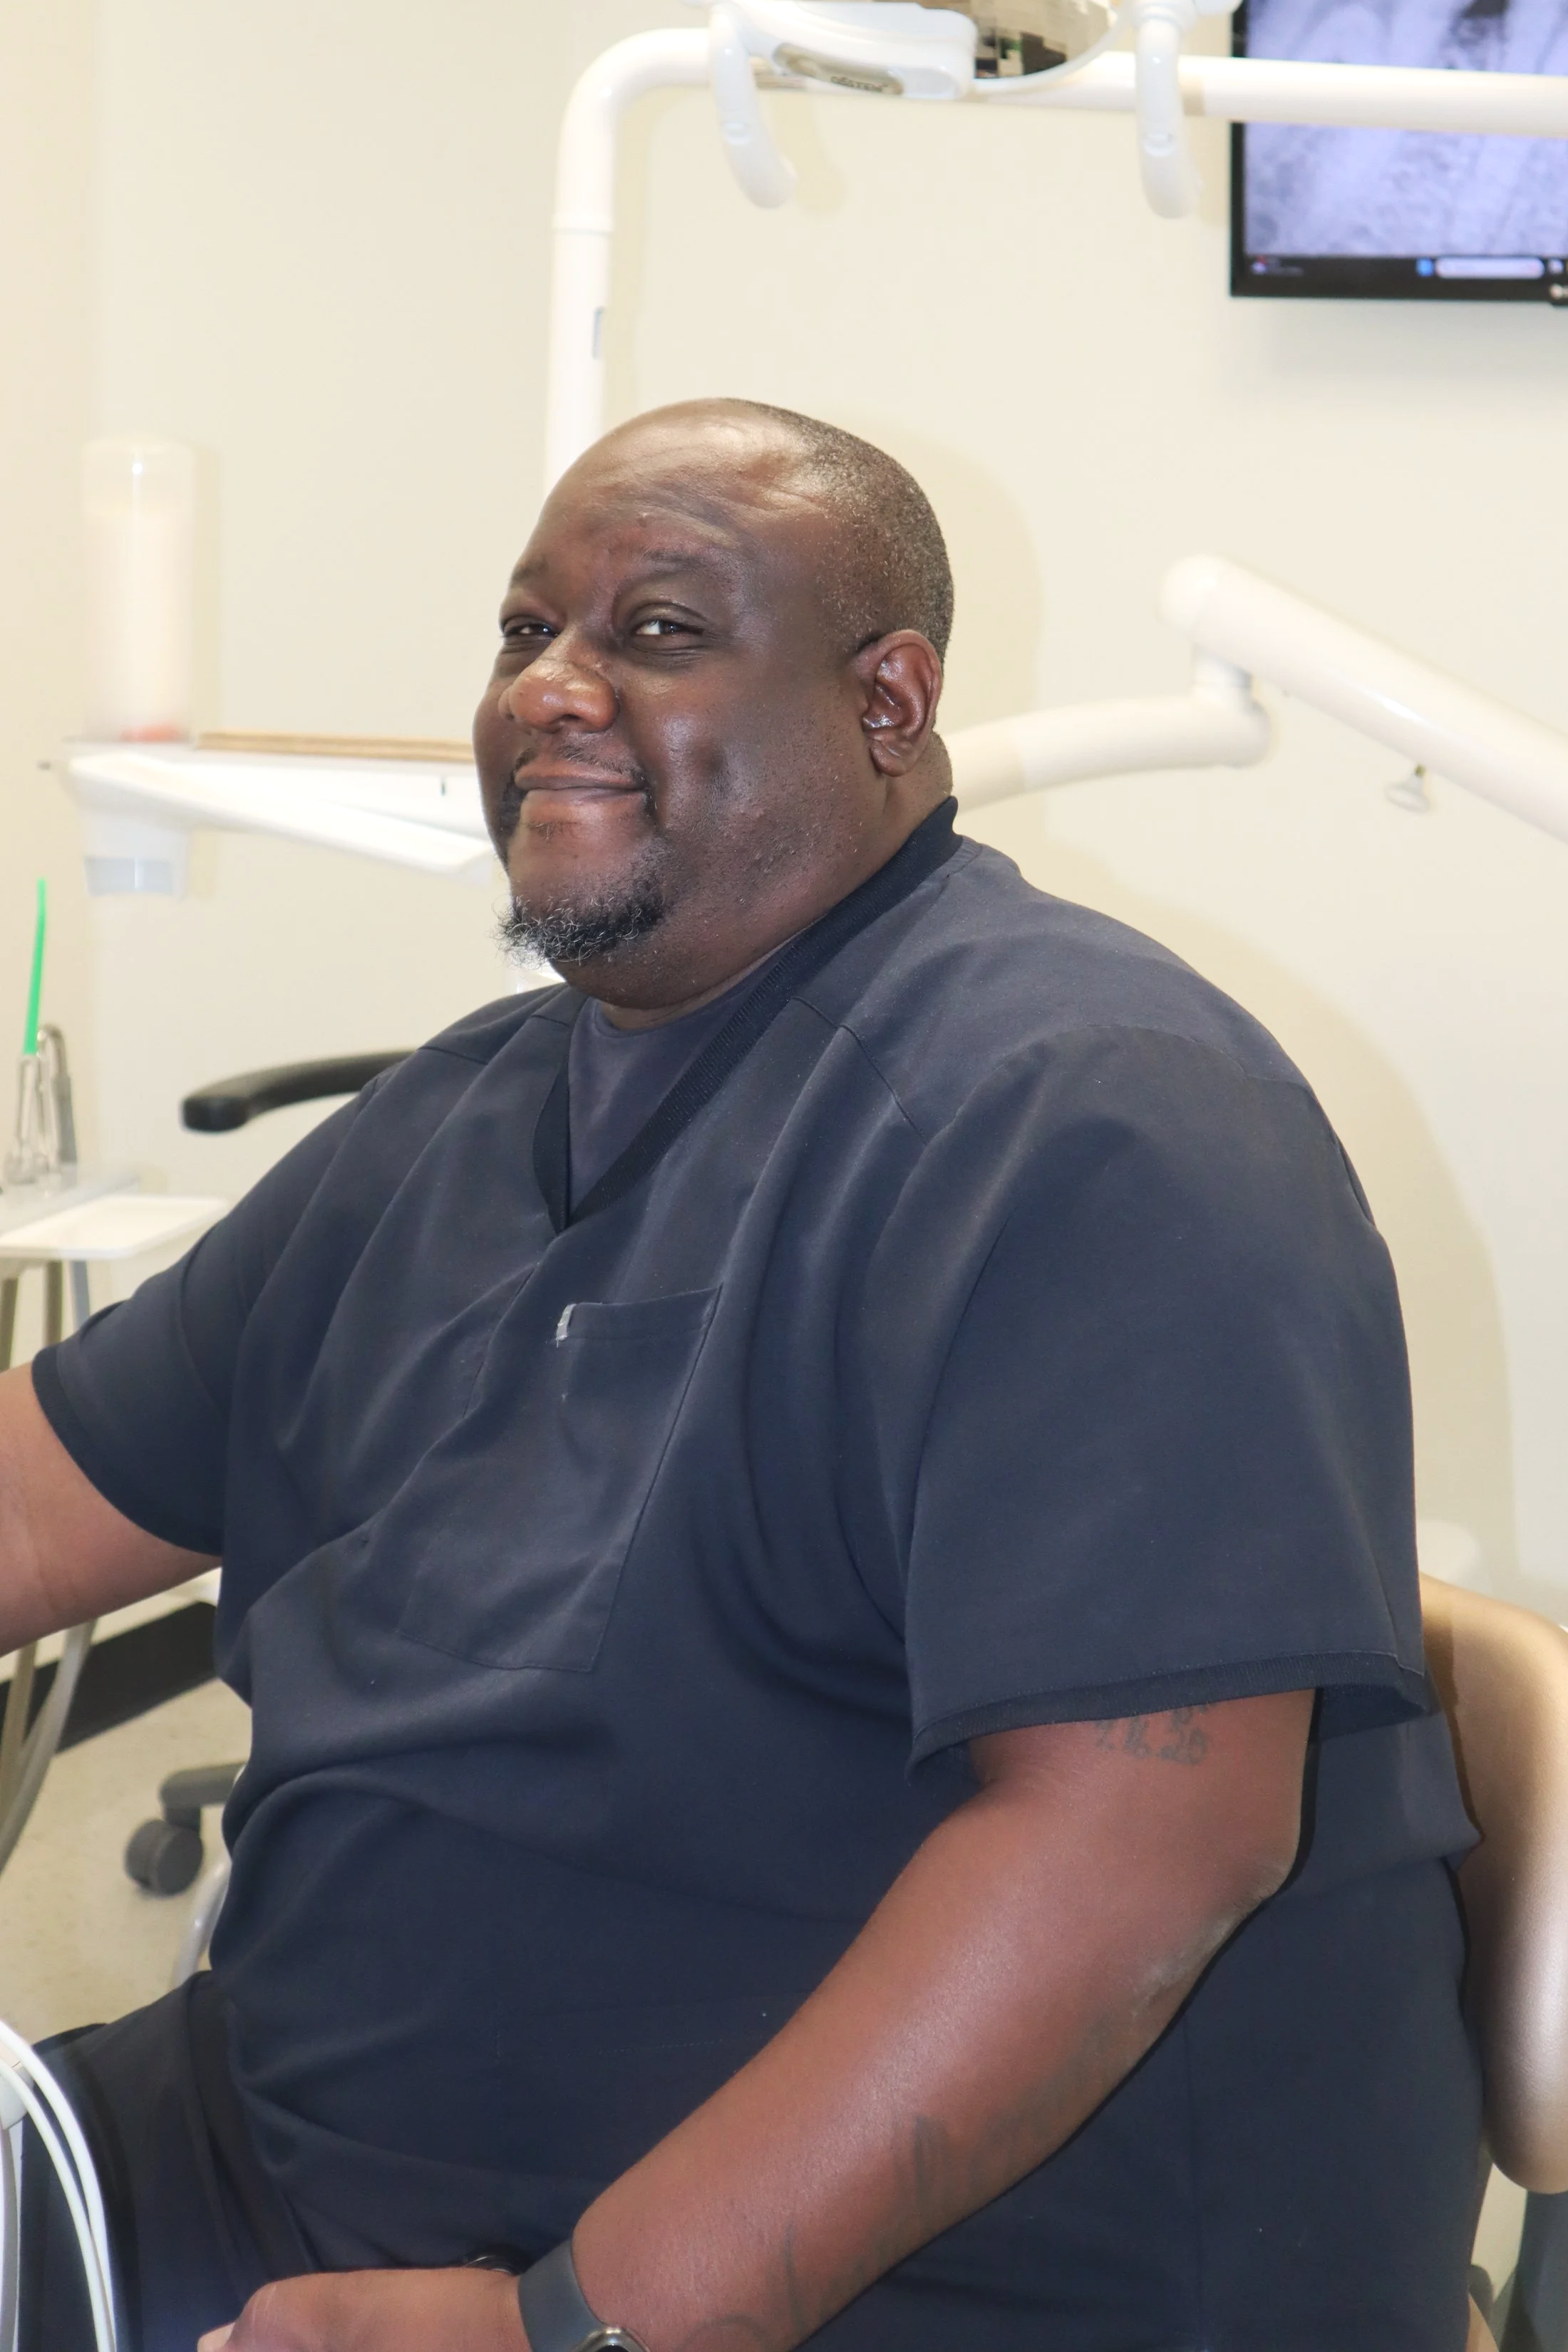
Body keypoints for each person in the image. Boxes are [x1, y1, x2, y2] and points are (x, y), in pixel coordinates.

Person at [0, 400, 1478, 2352]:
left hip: (855, 2283)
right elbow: (38, 1497)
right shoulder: (464, 1117)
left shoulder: (1092, 1120)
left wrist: (572, 2329)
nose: (554, 688)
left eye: (661, 631)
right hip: (271, 2162)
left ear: (892, 700)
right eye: (525, 630)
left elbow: (1137, 1855)